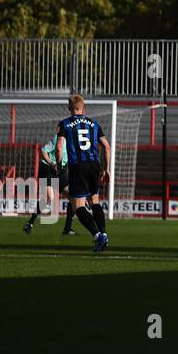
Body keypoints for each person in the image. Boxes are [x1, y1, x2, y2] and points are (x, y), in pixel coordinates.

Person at [56, 95, 111, 253]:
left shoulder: (65, 124)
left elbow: (59, 147)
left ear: (69, 108)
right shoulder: (94, 124)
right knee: (94, 201)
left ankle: (97, 235)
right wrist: (106, 169)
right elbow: (106, 147)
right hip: (94, 165)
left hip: (77, 166)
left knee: (78, 205)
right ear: (83, 108)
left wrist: (60, 166)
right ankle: (103, 233)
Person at [25, 133, 76, 235]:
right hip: (47, 169)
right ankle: (30, 223)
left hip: (60, 169)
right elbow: (43, 151)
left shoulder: (74, 141)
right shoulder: (58, 138)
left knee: (73, 197)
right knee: (49, 197)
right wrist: (52, 164)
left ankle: (67, 229)